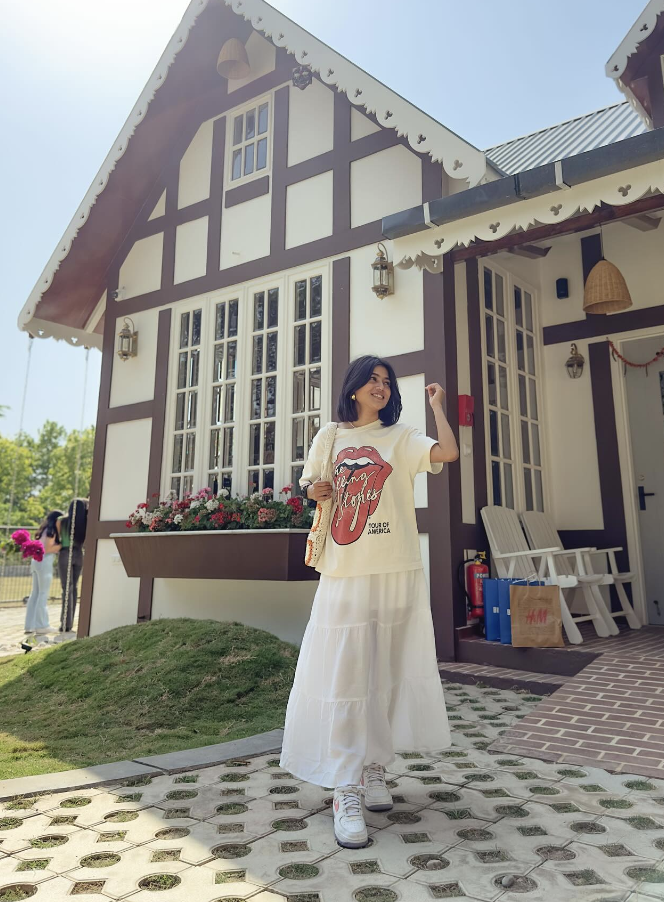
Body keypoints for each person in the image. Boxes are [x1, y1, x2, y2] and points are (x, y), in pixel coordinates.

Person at [280, 355, 459, 848]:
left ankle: (374, 767)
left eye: (386, 382)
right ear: (354, 388)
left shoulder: (401, 437)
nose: (380, 388)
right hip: (345, 570)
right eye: (372, 381)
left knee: (386, 670)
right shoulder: (329, 436)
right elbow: (313, 485)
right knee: (345, 674)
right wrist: (316, 489)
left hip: (396, 566)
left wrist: (439, 406)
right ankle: (345, 786)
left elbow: (448, 452)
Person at [24, 510, 63, 636]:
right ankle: (42, 625)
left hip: (36, 561)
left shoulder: (44, 530)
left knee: (35, 593)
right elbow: (47, 548)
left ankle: (30, 625)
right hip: (44, 562)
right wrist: (61, 546)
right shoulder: (51, 532)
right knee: (42, 593)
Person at [57, 498, 88, 633]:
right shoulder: (84, 523)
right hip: (79, 553)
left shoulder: (61, 521)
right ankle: (70, 622)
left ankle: (65, 623)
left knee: (66, 588)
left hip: (65, 553)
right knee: (73, 588)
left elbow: (58, 538)